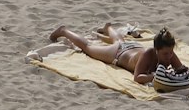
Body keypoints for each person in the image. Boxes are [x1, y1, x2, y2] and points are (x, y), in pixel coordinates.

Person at [47, 25, 182, 85]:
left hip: (133, 47)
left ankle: (108, 28)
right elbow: (137, 78)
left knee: (119, 40)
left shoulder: (169, 54)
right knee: (88, 47)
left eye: (171, 52)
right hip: (118, 53)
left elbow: (180, 69)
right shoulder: (148, 54)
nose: (169, 56)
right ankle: (64, 31)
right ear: (156, 49)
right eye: (165, 53)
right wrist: (153, 76)